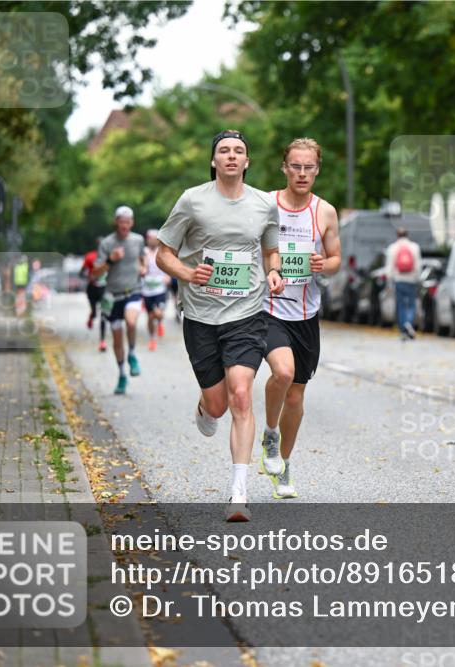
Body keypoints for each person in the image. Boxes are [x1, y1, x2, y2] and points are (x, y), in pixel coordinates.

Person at [155, 129, 283, 522]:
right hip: (200, 315)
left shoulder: (264, 204)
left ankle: (239, 494)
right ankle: (205, 406)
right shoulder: (192, 200)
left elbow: (271, 251)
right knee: (219, 404)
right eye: (224, 151)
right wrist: (187, 273)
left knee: (241, 394)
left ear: (246, 161)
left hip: (246, 313)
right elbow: (163, 254)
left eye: (238, 151)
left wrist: (274, 272)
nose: (231, 156)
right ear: (214, 161)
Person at [261, 138, 341, 500]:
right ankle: (270, 433)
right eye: (296, 166)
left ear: (317, 169)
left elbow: (336, 258)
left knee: (295, 397)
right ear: (285, 168)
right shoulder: (266, 205)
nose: (302, 173)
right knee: (283, 372)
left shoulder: (325, 211)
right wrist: (269, 269)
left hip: (306, 313)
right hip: (269, 309)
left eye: (309, 167)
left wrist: (324, 264)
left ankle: (284, 464)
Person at [92, 206, 146, 395]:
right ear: (116, 222)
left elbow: (142, 259)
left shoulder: (138, 240)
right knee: (116, 339)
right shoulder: (107, 243)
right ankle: (122, 374)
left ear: (132, 223)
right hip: (113, 296)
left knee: (131, 322)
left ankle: (132, 354)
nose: (124, 225)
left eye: (127, 222)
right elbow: (95, 273)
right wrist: (110, 260)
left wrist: (143, 268)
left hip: (133, 291)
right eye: (121, 221)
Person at [385, 228, 422, 340]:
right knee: (411, 304)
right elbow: (418, 265)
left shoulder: (393, 248)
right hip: (411, 280)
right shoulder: (414, 247)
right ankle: (409, 323)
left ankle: (403, 329)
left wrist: (389, 280)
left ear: (397, 235)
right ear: (407, 235)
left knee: (401, 305)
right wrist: (418, 279)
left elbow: (389, 266)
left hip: (399, 280)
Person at [141, 229, 171, 351]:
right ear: (147, 240)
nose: (152, 241)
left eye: (154, 239)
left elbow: (169, 266)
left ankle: (159, 322)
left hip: (160, 287)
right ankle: (152, 339)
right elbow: (140, 267)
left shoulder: (162, 252)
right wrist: (142, 269)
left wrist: (168, 276)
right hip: (147, 288)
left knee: (158, 313)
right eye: (150, 239)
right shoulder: (143, 252)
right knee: (150, 316)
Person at [81, 237, 109, 352]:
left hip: (104, 289)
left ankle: (102, 341)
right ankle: (91, 316)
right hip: (92, 288)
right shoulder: (90, 256)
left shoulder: (110, 257)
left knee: (104, 315)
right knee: (94, 312)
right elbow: (81, 273)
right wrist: (90, 276)